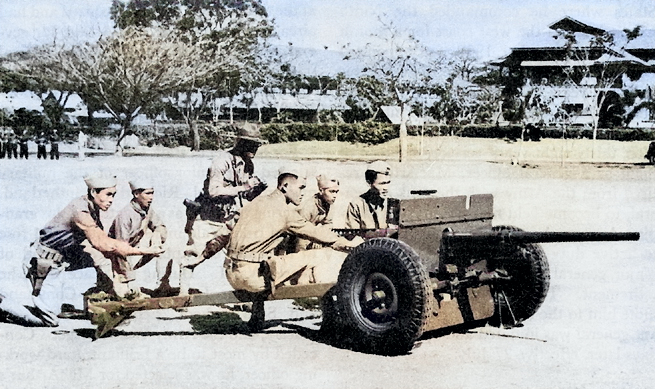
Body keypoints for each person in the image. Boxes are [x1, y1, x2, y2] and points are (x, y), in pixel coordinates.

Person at [224, 166, 363, 331]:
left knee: (267, 258)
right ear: (284, 187)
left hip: (231, 275)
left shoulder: (256, 202)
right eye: (300, 188)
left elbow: (225, 231)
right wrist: (350, 245)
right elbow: (316, 233)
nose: (303, 193)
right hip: (253, 279)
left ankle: (257, 316)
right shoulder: (286, 213)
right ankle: (330, 320)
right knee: (321, 255)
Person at [23, 173, 164, 321]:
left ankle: (109, 300)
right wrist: (144, 251)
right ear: (93, 192)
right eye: (108, 195)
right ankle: (5, 306)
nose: (111, 200)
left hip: (64, 257)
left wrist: (122, 277)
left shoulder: (92, 206)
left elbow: (103, 248)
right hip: (42, 262)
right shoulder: (80, 210)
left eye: (113, 195)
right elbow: (102, 243)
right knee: (48, 320)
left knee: (103, 260)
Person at [180, 123, 267, 296]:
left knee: (239, 255)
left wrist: (255, 191)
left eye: (257, 144)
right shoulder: (222, 161)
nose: (255, 148)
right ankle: (182, 293)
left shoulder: (248, 165)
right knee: (194, 254)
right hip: (208, 215)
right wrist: (243, 187)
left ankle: (242, 293)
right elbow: (213, 191)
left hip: (231, 217)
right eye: (251, 144)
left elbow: (243, 196)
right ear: (240, 142)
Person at [108, 179, 171, 297]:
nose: (151, 197)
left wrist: (157, 236)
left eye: (152, 193)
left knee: (166, 250)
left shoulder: (147, 209)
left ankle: (163, 286)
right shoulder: (125, 215)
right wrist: (130, 279)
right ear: (136, 194)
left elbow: (160, 226)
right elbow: (121, 250)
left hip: (134, 250)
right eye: (147, 193)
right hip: (115, 258)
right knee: (123, 294)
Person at [293, 173, 340, 252]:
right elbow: (300, 235)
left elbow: (328, 224)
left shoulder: (329, 204)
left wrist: (321, 237)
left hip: (312, 237)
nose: (335, 195)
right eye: (331, 192)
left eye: (336, 192)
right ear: (321, 191)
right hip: (295, 239)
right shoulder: (308, 207)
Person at [345, 160, 392, 229]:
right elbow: (352, 236)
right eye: (382, 184)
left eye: (388, 183)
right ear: (369, 183)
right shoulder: (357, 205)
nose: (386, 188)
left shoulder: (393, 204)